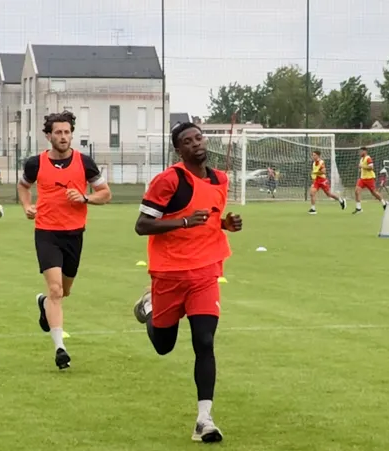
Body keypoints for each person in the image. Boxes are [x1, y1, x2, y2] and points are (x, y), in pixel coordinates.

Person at [132, 121, 242, 443]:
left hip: (206, 273)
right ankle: (150, 309)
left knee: (204, 342)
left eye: (199, 137)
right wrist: (182, 221)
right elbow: (142, 225)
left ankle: (204, 420)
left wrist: (226, 223)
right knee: (163, 346)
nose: (196, 143)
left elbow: (209, 220)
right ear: (178, 149)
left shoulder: (220, 179)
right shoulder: (168, 180)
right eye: (187, 141)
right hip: (169, 274)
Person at [17, 111, 111, 370]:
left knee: (64, 292)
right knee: (56, 289)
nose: (63, 136)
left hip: (74, 234)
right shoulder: (35, 163)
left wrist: (85, 198)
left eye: (67, 132)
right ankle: (60, 349)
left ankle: (43, 304)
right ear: (48, 136)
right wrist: (27, 206)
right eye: (58, 132)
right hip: (46, 233)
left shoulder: (85, 162)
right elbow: (23, 186)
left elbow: (105, 193)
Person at [308, 150, 345, 214]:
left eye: (314, 155)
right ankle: (313, 209)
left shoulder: (321, 162)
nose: (313, 156)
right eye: (312, 155)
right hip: (316, 181)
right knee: (312, 193)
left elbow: (324, 171)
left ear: (318, 156)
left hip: (322, 181)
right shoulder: (314, 163)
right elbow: (315, 173)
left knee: (329, 194)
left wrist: (315, 172)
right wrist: (313, 178)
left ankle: (340, 200)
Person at [352, 147, 386, 214]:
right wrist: (361, 169)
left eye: (361, 151)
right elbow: (362, 167)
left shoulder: (368, 158)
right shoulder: (361, 159)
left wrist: (362, 166)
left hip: (369, 178)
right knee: (356, 191)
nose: (360, 153)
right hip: (362, 179)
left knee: (374, 193)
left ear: (365, 151)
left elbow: (371, 167)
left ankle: (384, 203)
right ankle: (358, 208)